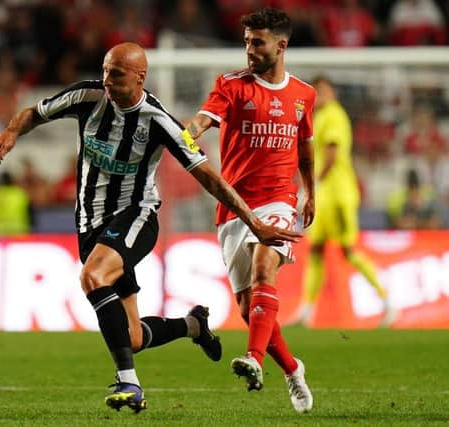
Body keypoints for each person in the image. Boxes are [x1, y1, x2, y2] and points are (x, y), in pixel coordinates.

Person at [0, 42, 300, 413]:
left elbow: (209, 178)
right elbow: (33, 113)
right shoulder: (86, 97)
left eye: (116, 74)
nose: (107, 80)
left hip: (136, 215)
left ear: (140, 77)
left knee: (92, 277)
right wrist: (11, 132)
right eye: (105, 70)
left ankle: (129, 384)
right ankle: (193, 326)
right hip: (89, 221)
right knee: (133, 336)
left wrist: (254, 222)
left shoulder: (158, 120)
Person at [183, 8, 315, 413]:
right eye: (246, 42)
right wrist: (185, 136)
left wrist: (310, 191)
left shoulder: (303, 95)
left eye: (257, 42)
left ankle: (254, 360)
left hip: (278, 200)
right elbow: (203, 121)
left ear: (281, 44)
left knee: (263, 269)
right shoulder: (231, 85)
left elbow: (304, 143)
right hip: (234, 207)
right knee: (246, 306)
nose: (249, 49)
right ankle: (293, 371)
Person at [294, 75, 394, 328]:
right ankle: (307, 312)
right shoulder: (316, 118)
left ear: (333, 92)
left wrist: (310, 186)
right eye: (317, 91)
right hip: (323, 196)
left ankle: (388, 302)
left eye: (324, 90)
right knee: (315, 251)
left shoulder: (335, 115)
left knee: (349, 251)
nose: (321, 95)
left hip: (338, 195)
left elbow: (331, 154)